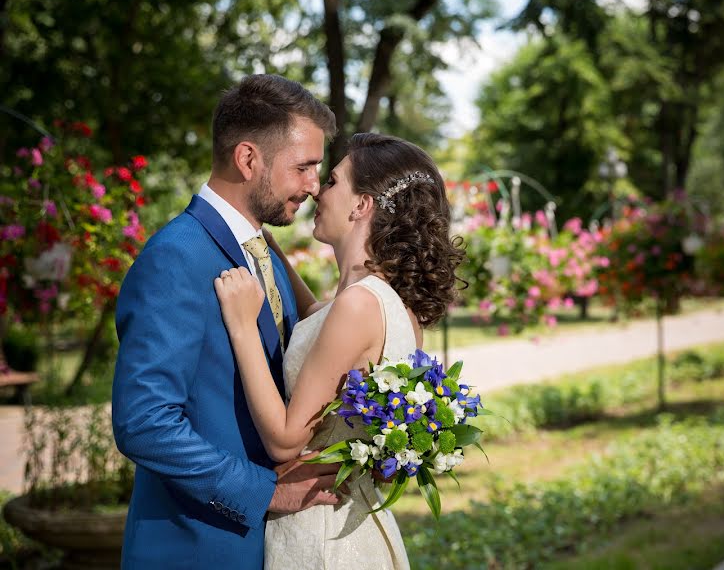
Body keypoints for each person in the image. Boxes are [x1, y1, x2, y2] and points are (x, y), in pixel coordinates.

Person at [112, 74, 343, 569]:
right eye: (303, 167)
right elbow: (144, 423)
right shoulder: (175, 257)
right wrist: (264, 493)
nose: (312, 185)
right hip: (196, 547)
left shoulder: (263, 248)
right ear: (247, 159)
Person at [214, 132, 466, 569]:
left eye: (331, 181)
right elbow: (316, 322)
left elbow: (285, 440)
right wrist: (265, 250)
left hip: (322, 537)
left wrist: (242, 327)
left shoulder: (357, 305)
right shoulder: (389, 303)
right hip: (355, 527)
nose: (316, 190)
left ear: (361, 204)